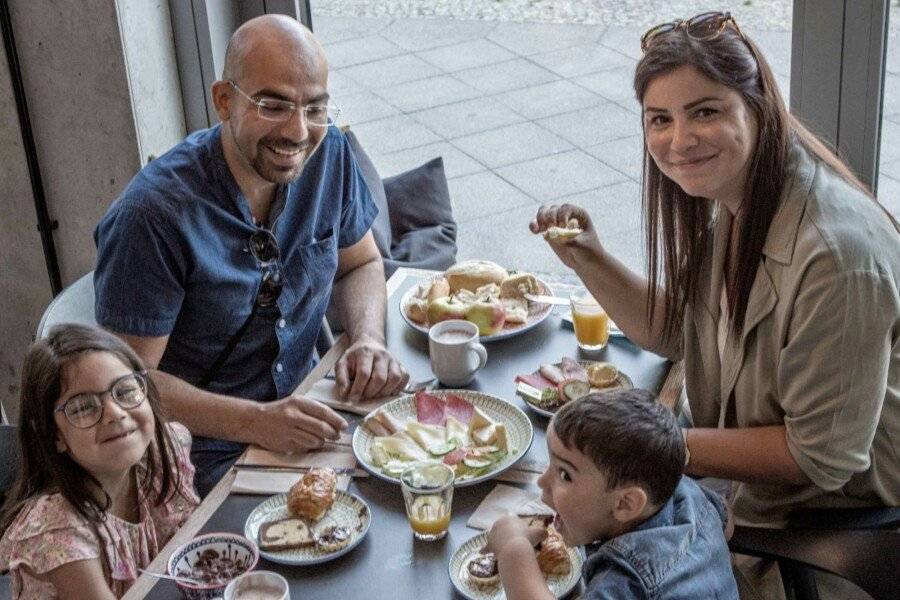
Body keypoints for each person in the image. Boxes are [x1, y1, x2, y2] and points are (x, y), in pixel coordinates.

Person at [532, 11, 899, 598]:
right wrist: (587, 258)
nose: (678, 141)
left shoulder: (836, 256)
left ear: (757, 107)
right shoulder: (741, 200)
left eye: (705, 111)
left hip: (817, 537)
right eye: (660, 119)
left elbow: (821, 458)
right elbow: (677, 333)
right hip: (742, 496)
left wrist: (654, 447)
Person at [93, 15, 409, 496]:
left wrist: (367, 338)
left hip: (310, 413)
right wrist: (259, 422)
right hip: (197, 460)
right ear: (224, 100)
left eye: (314, 108)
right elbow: (129, 385)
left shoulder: (331, 154)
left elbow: (362, 264)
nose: (299, 131)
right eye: (274, 105)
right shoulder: (152, 216)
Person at [0, 324, 199, 599]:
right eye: (83, 407)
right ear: (53, 435)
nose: (115, 413)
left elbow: (195, 558)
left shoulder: (162, 452)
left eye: (125, 390)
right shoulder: (59, 532)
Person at [486, 390, 737, 599]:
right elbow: (728, 524)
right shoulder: (684, 491)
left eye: (565, 475)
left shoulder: (622, 584)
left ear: (626, 504)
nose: (542, 481)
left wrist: (513, 550)